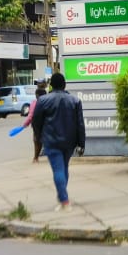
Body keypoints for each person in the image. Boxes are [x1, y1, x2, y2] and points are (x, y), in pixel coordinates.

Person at [30, 73, 86, 212]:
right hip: (69, 141)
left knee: (58, 169)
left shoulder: (43, 100)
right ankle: (62, 196)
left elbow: (36, 121)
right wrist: (81, 143)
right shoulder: (75, 101)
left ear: (51, 86)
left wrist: (40, 136)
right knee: (64, 168)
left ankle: (64, 201)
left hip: (51, 141)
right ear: (64, 85)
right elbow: (80, 124)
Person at [23, 86, 48, 162]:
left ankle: (36, 158)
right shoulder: (48, 102)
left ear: (37, 95)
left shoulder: (34, 103)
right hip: (47, 124)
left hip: (36, 124)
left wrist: (25, 124)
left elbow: (31, 115)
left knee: (36, 140)